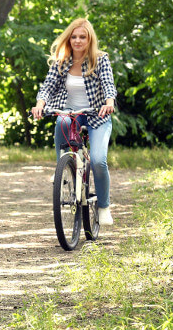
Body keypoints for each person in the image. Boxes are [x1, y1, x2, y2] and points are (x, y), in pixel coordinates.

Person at [31, 18, 117, 225]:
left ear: (89, 39)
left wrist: (109, 102)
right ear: (69, 39)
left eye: (83, 37)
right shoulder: (62, 61)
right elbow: (48, 86)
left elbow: (108, 84)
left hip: (97, 114)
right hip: (70, 113)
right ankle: (64, 169)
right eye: (74, 37)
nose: (78, 41)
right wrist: (40, 104)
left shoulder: (100, 59)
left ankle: (104, 206)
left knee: (98, 160)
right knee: (61, 122)